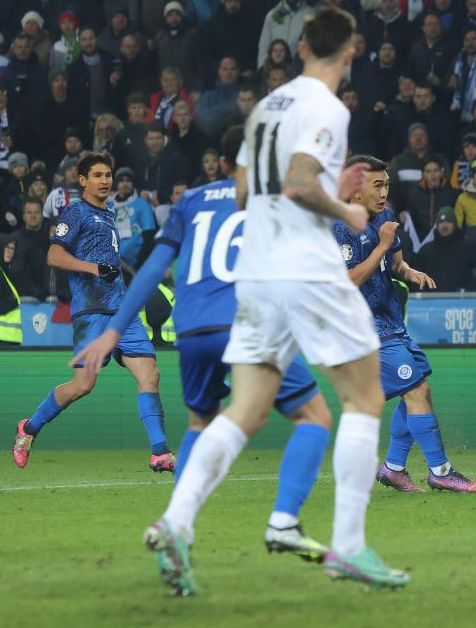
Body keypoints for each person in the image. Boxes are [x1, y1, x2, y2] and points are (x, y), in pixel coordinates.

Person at [128, 7, 408, 594]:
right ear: (350, 53)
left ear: (301, 46)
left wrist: (317, 189)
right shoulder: (327, 107)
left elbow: (242, 193)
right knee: (364, 397)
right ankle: (349, 548)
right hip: (306, 269)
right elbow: (301, 183)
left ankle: (176, 522)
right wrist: (346, 206)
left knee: (246, 410)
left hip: (256, 275)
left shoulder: (267, 106)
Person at [72, 126, 338, 566]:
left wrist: (114, 330)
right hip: (246, 321)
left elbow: (152, 268)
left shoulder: (190, 201)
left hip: (193, 329)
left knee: (201, 421)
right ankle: (284, 522)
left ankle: (175, 527)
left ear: (224, 162)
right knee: (314, 416)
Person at [12, 152, 173, 472]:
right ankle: (28, 428)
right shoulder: (76, 212)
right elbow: (54, 255)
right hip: (91, 309)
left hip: (122, 311)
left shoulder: (109, 214)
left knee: (150, 374)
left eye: (108, 175)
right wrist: (93, 268)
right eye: (98, 175)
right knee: (83, 385)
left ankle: (160, 453)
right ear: (83, 181)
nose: (105, 181)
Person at [333, 157, 476, 494]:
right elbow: (348, 280)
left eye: (386, 185)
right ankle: (441, 471)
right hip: (364, 328)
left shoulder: (385, 216)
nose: (384, 192)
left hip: (391, 321)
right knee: (415, 391)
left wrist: (410, 272)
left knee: (417, 391)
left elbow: (395, 265)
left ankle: (394, 468)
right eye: (377, 185)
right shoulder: (340, 226)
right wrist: (383, 244)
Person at [0, 232, 21, 344]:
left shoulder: (0, 270)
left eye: (13, 248)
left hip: (0, 338)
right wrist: (13, 302)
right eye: (6, 247)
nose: (10, 251)